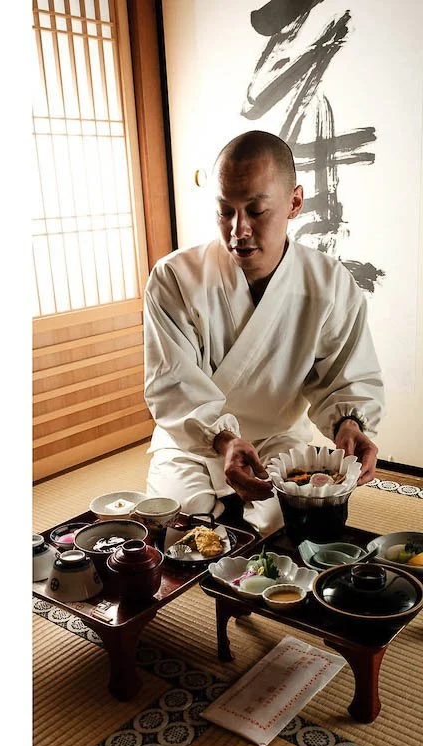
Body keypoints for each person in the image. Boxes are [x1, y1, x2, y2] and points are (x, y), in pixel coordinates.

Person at [143, 130, 384, 533]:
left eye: (255, 211)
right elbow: (172, 384)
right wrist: (223, 441)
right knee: (182, 529)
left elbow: (346, 374)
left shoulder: (329, 283)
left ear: (294, 203)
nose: (238, 230)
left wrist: (349, 425)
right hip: (191, 441)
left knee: (290, 526)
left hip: (277, 440)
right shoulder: (174, 278)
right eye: (225, 211)